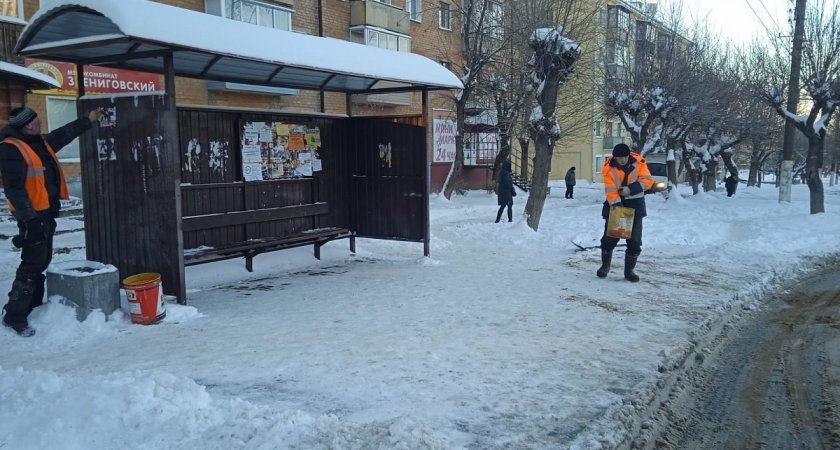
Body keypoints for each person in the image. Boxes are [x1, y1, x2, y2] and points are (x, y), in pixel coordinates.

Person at [0, 106, 104, 336]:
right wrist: (30, 220)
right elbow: (14, 190)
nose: (39, 121)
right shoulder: (11, 148)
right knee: (32, 263)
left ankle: (32, 306)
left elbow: (62, 135)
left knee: (41, 260)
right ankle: (14, 316)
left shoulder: (37, 142)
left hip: (45, 212)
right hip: (33, 216)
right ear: (27, 125)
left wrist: (87, 120)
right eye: (35, 119)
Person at [596, 143, 654, 282]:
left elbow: (647, 181)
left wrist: (630, 189)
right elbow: (610, 190)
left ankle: (629, 272)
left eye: (624, 157)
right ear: (614, 157)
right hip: (616, 205)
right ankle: (605, 266)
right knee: (610, 238)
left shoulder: (639, 163)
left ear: (628, 155)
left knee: (635, 241)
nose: (622, 160)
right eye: (619, 157)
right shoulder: (609, 169)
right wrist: (618, 207)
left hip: (636, 205)